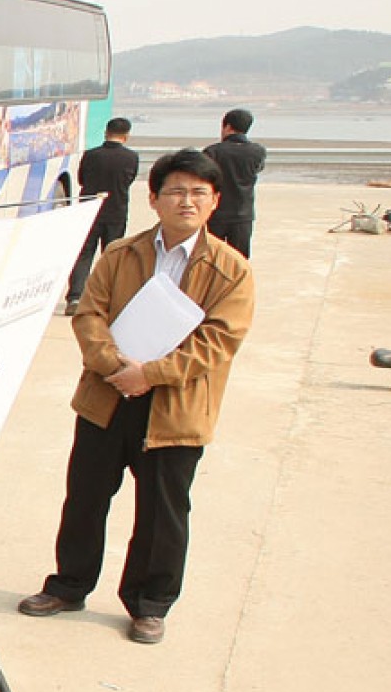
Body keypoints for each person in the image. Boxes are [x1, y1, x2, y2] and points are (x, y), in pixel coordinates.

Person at [18, 148, 254, 645]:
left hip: (175, 408)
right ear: (154, 199)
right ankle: (69, 585)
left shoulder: (231, 270)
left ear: (214, 202)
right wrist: (116, 367)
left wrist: (151, 374)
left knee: (162, 513)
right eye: (175, 191)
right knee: (85, 497)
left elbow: (218, 340)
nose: (186, 201)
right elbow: (89, 317)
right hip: (107, 398)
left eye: (198, 193)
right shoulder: (121, 255)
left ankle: (150, 604)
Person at [69, 118, 140, 312]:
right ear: (126, 136)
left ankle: (75, 297)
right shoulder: (131, 157)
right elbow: (129, 180)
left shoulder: (91, 155)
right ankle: (108, 298)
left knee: (84, 254)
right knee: (112, 256)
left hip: (89, 211)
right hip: (116, 211)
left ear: (106, 133)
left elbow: (81, 178)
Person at [204, 108, 266, 258]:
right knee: (239, 260)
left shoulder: (213, 152)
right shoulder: (257, 151)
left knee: (210, 258)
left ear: (227, 127)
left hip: (216, 213)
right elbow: (258, 169)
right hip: (243, 213)